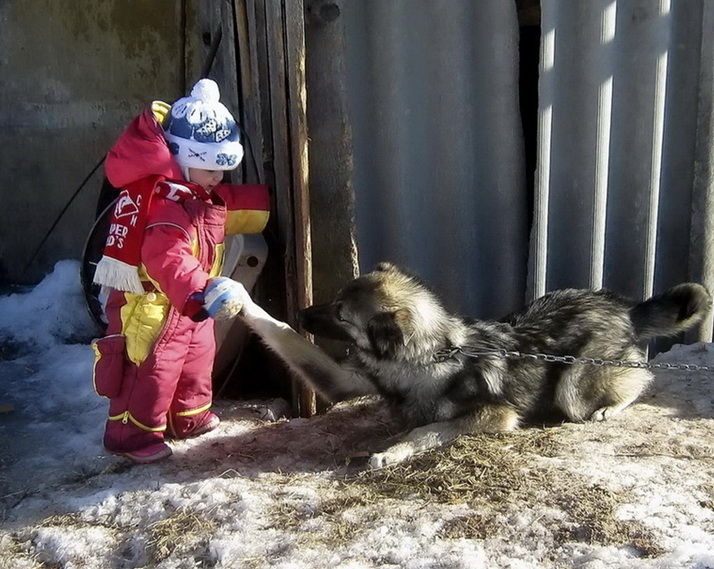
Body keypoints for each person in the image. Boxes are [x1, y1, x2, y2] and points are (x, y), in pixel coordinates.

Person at [90, 78, 270, 463]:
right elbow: (168, 258)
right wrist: (198, 288)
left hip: (192, 305)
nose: (218, 178)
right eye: (209, 168)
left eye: (223, 169)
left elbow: (223, 209)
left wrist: (265, 203)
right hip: (153, 307)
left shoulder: (195, 196)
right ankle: (130, 434)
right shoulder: (163, 208)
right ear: (181, 159)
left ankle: (189, 416)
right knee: (150, 371)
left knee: (196, 363)